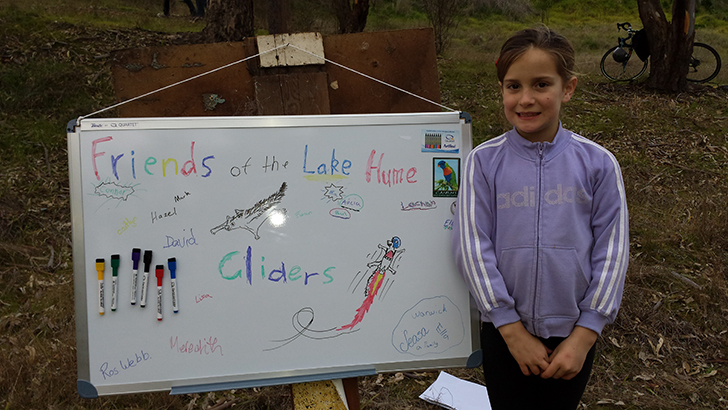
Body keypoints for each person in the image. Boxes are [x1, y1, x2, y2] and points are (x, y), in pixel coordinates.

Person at [451, 26, 629, 410]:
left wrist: (584, 336)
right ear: (501, 90)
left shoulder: (598, 164)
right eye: (513, 86)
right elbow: (470, 245)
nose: (526, 99)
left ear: (568, 88)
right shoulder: (482, 162)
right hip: (504, 335)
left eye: (541, 84)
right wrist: (511, 330)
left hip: (573, 335)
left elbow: (612, 253)